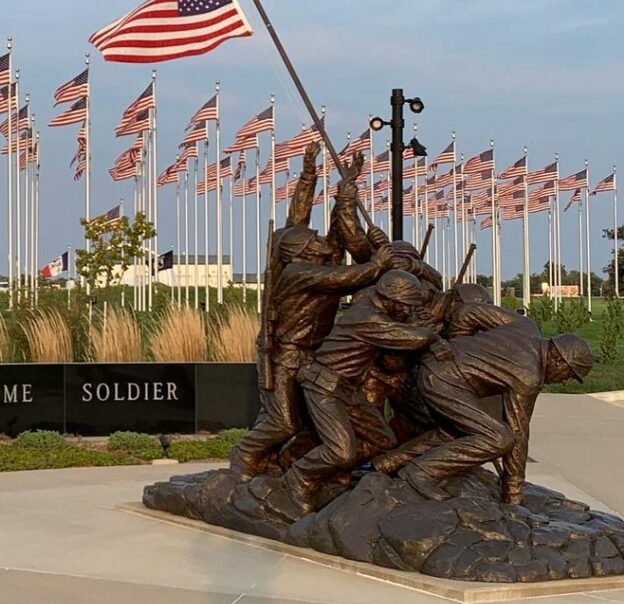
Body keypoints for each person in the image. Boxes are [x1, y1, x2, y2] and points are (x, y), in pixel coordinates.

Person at [230, 144, 401, 480]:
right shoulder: (300, 273)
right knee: (283, 421)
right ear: (305, 251)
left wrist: (340, 190)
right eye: (313, 239)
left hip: (312, 356)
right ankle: (245, 457)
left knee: (314, 420)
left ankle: (298, 465)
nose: (322, 239)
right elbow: (348, 277)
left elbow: (321, 226)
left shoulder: (314, 260)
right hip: (286, 355)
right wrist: (380, 262)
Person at [278, 269, 444, 515]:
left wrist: (422, 329)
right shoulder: (367, 317)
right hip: (324, 386)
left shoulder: (377, 314)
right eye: (404, 305)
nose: (406, 311)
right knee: (341, 452)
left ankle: (335, 475)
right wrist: (431, 332)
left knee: (383, 440)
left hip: (348, 390)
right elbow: (408, 338)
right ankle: (297, 480)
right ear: (390, 299)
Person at [401, 324, 593, 504]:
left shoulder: (526, 326)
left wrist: (455, 345)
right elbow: (518, 433)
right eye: (570, 374)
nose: (566, 382)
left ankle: (387, 462)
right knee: (499, 438)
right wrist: (514, 494)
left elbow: (470, 312)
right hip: (443, 380)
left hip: (439, 369)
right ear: (559, 360)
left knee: (466, 429)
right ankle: (420, 471)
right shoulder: (529, 377)